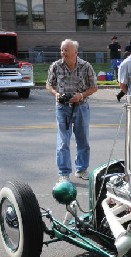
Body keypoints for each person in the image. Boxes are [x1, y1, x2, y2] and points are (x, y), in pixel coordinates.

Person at [46, 39, 98, 182]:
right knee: (63, 142)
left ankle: (81, 170)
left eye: (66, 50)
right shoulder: (55, 66)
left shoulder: (86, 66)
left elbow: (94, 87)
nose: (63, 53)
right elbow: (49, 85)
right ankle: (64, 173)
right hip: (63, 108)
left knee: (83, 141)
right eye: (62, 50)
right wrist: (56, 94)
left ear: (75, 52)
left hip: (81, 107)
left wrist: (80, 95)